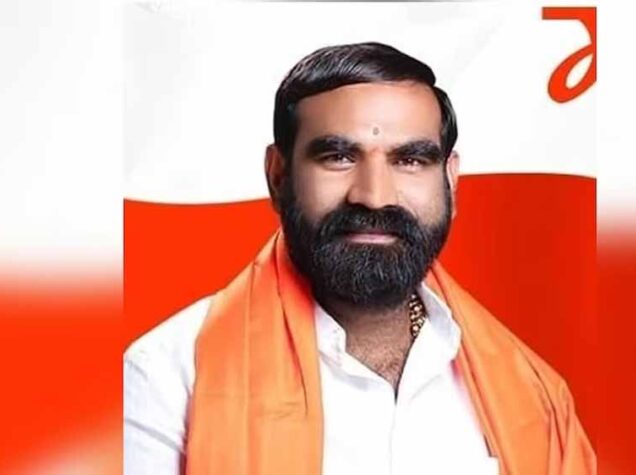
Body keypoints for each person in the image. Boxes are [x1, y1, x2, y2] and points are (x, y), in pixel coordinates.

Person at [123, 42, 596, 475]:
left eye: (410, 160)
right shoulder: (168, 379)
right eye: (338, 157)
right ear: (278, 176)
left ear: (450, 182)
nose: (374, 195)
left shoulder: (536, 398)